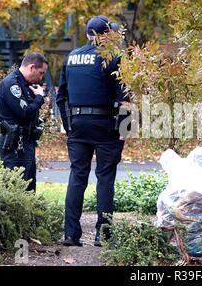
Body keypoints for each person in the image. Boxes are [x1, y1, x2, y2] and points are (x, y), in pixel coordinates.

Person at [56, 15, 130, 247]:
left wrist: (69, 127)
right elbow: (125, 98)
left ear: (89, 34)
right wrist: (125, 130)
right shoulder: (114, 58)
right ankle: (103, 235)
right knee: (105, 178)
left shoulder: (71, 57)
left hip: (77, 124)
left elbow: (61, 96)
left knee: (77, 176)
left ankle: (70, 234)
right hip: (105, 125)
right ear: (107, 35)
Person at [0, 52, 48, 192]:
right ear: (32, 67)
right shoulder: (11, 84)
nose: (41, 77)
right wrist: (39, 98)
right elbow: (25, 113)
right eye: (41, 72)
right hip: (14, 144)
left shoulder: (26, 85)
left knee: (29, 188)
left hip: (26, 141)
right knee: (16, 188)